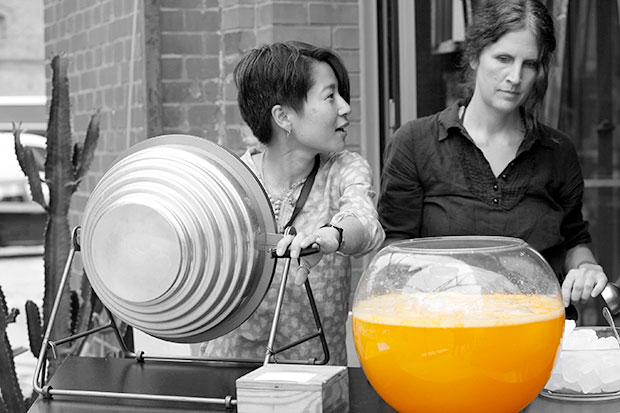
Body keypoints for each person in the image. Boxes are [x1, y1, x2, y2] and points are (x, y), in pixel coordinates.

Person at [377, 0, 607, 317]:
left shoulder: (558, 150)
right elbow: (393, 252)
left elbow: (575, 241)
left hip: (539, 333)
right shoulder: (415, 143)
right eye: (503, 58)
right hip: (443, 332)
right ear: (473, 56)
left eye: (530, 64)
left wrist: (586, 268)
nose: (515, 77)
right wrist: (460, 281)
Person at [200, 41, 385, 365]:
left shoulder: (344, 169)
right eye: (330, 96)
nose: (345, 107)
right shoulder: (228, 185)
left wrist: (331, 236)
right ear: (283, 116)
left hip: (314, 381)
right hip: (228, 375)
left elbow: (365, 222)